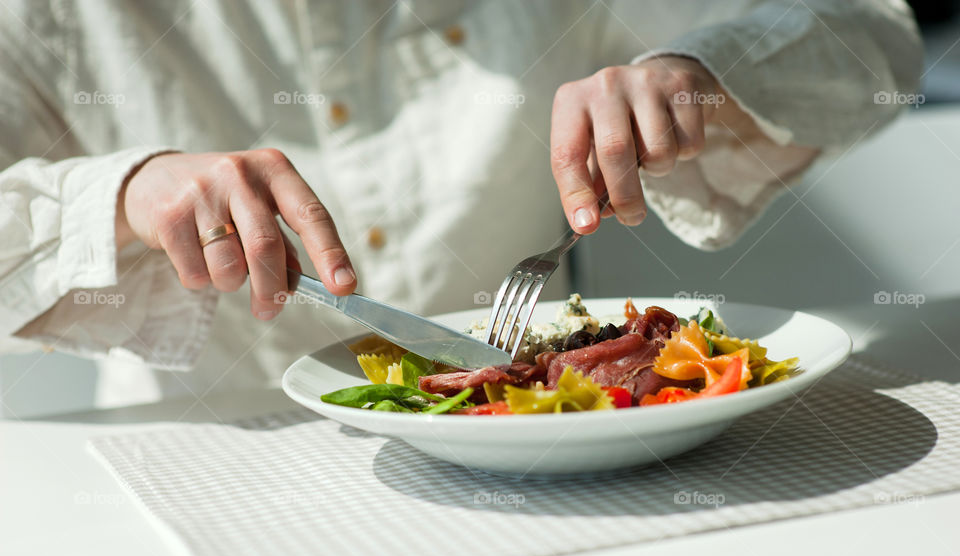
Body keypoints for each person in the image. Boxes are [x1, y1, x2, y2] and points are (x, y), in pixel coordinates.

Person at [0, 1, 921, 407]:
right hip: (208, 457)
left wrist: (699, 71)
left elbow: (872, 32)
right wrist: (118, 193)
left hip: (548, 457)